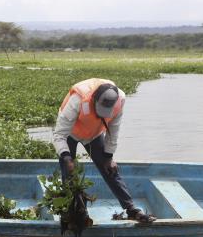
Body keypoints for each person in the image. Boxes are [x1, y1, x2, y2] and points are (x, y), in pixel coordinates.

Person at [53, 78, 156, 223]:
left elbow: (113, 130)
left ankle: (131, 209)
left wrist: (109, 156)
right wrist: (66, 157)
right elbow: (59, 135)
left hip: (94, 134)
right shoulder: (77, 100)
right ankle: (73, 212)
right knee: (68, 172)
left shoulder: (119, 101)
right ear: (94, 100)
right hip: (70, 133)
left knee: (110, 169)